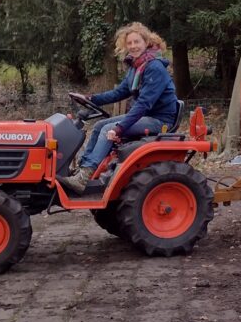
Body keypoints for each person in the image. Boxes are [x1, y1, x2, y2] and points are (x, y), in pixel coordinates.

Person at [60, 22, 179, 193]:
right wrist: (90, 98)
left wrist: (120, 128)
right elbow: (119, 93)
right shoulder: (136, 67)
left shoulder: (154, 67)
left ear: (146, 42)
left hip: (159, 120)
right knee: (100, 126)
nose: (133, 46)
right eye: (129, 43)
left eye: (137, 42)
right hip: (145, 116)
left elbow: (144, 104)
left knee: (108, 128)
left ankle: (84, 177)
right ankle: (83, 170)